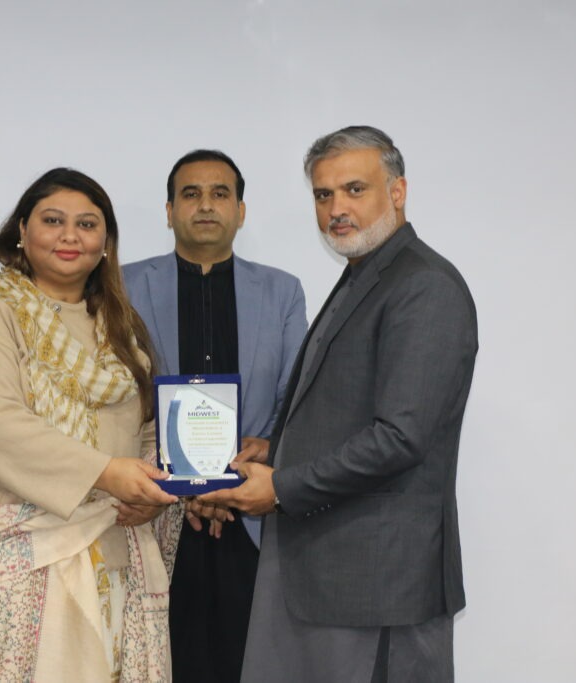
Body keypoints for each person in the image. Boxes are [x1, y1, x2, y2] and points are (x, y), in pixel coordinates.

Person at [200, 126, 478, 682]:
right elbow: (346, 409)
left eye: (354, 189)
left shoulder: (424, 285)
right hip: (332, 579)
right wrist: (276, 450)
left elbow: (399, 438)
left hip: (379, 587)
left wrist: (280, 486)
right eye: (323, 194)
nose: (336, 209)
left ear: (397, 191)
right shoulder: (365, 275)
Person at [0, 168, 181, 682]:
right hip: (2, 557)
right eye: (53, 221)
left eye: (87, 225)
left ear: (106, 245)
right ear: (21, 233)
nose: (70, 236)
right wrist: (107, 473)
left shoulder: (119, 326)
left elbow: (145, 427)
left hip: (107, 549)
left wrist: (150, 488)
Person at [122, 149, 306, 682]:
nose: (206, 205)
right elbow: (111, 393)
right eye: (191, 194)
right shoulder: (122, 286)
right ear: (169, 211)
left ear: (240, 211)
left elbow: (298, 396)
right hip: (156, 512)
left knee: (248, 663)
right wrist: (182, 482)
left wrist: (261, 456)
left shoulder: (282, 291)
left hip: (250, 515)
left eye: (220, 193)